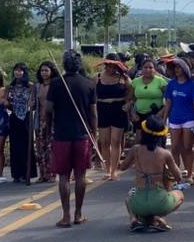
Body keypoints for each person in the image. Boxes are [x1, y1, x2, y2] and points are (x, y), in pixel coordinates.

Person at [47, 50, 97, 228]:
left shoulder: (55, 84)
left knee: (63, 176)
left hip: (61, 135)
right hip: (82, 135)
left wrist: (47, 132)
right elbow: (93, 114)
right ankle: (78, 214)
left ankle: (66, 215)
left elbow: (48, 110)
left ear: (64, 64)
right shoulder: (89, 84)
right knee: (81, 175)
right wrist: (94, 134)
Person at [121, 115, 185, 232]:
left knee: (129, 195)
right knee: (180, 194)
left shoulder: (135, 149)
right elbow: (178, 176)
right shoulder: (165, 153)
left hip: (139, 204)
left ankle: (133, 218)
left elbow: (122, 167)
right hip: (160, 203)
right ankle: (159, 217)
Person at [161, 58, 194, 184]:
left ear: (184, 68)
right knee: (174, 148)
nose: (177, 70)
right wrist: (164, 119)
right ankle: (177, 174)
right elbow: (168, 103)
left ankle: (190, 174)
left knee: (187, 148)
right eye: (175, 68)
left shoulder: (192, 85)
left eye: (179, 67)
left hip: (189, 119)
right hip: (174, 119)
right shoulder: (172, 84)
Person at [95, 59, 131, 182]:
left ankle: (114, 171)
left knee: (115, 141)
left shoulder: (123, 78)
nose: (111, 69)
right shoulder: (98, 77)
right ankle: (107, 170)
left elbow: (131, 91)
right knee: (104, 142)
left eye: (113, 67)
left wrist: (128, 102)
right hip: (102, 109)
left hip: (118, 109)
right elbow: (92, 93)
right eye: (108, 66)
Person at [6, 63, 38, 183]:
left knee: (26, 145)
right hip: (14, 117)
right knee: (15, 145)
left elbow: (35, 102)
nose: (18, 72)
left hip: (26, 116)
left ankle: (27, 172)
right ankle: (16, 173)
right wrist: (8, 104)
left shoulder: (30, 86)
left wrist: (32, 105)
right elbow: (7, 101)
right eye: (16, 70)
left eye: (20, 70)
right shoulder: (10, 86)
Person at [127, 57, 168, 127]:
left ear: (155, 69)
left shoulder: (161, 81)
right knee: (139, 137)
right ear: (142, 68)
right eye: (145, 67)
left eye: (150, 67)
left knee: (154, 136)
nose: (147, 69)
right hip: (139, 115)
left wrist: (161, 113)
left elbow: (169, 100)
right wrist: (132, 112)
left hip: (156, 114)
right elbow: (129, 99)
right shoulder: (135, 81)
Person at [34, 61, 57, 183]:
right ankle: (42, 174)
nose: (44, 73)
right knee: (40, 149)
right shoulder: (37, 86)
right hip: (39, 120)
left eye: (46, 70)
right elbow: (34, 103)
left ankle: (52, 174)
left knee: (51, 149)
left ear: (51, 72)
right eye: (42, 70)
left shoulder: (55, 85)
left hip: (52, 121)